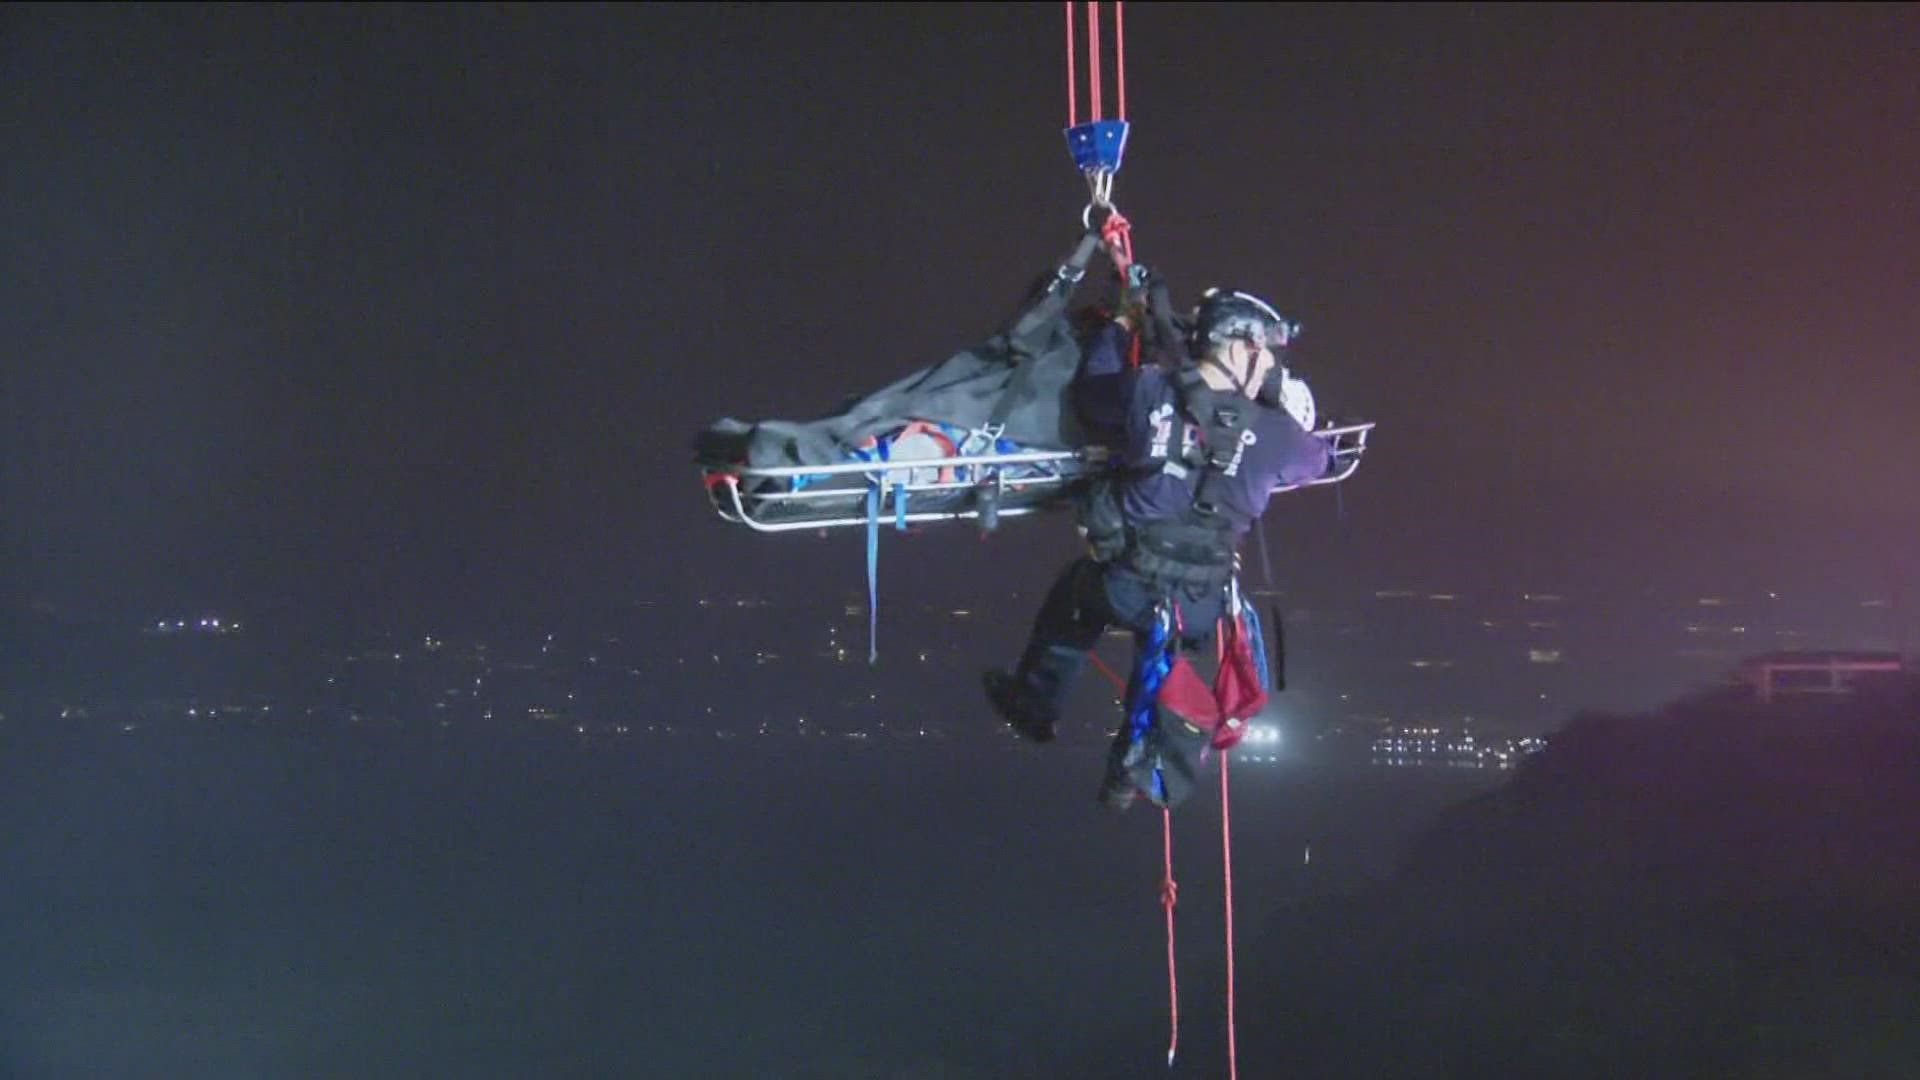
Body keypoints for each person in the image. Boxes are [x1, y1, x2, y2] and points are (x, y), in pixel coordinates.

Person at [983, 267, 1336, 810]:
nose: (1272, 366)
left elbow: (1092, 393)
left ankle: (1034, 708)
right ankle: (1131, 769)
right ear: (1241, 347)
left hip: (1127, 584)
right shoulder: (1277, 434)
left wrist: (1120, 326)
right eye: (1268, 353)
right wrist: (1276, 411)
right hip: (1201, 604)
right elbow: (1319, 458)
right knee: (1163, 652)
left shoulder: (1150, 391)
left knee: (1073, 603)